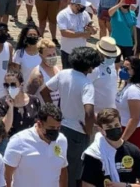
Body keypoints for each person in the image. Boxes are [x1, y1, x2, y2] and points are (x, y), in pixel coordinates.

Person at [40, 46, 100, 186]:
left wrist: (55, 112)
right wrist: (89, 130)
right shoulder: (87, 85)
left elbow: (44, 91)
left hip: (60, 127)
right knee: (73, 172)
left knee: (57, 166)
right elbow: (89, 112)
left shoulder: (63, 74)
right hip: (77, 133)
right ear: (90, 67)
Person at [1, 103, 67, 187]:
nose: (55, 131)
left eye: (58, 128)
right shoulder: (19, 141)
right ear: (39, 124)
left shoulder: (62, 141)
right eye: (51, 128)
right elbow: (6, 174)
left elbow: (63, 170)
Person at [80, 108, 140, 187]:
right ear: (100, 129)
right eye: (109, 127)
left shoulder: (133, 151)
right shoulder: (94, 154)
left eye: (116, 125)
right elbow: (86, 184)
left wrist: (124, 186)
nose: (114, 129)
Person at [116, 56, 140, 151]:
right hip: (124, 128)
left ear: (135, 71)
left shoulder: (134, 91)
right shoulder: (128, 85)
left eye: (127, 69)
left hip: (134, 133)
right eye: (123, 67)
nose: (123, 70)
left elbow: (134, 118)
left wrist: (122, 141)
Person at [56, 0, 95, 66]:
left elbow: (92, 26)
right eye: (83, 6)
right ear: (76, 5)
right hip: (68, 52)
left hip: (81, 52)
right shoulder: (63, 15)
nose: (84, 7)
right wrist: (83, 34)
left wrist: (92, 29)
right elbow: (64, 33)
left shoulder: (84, 14)